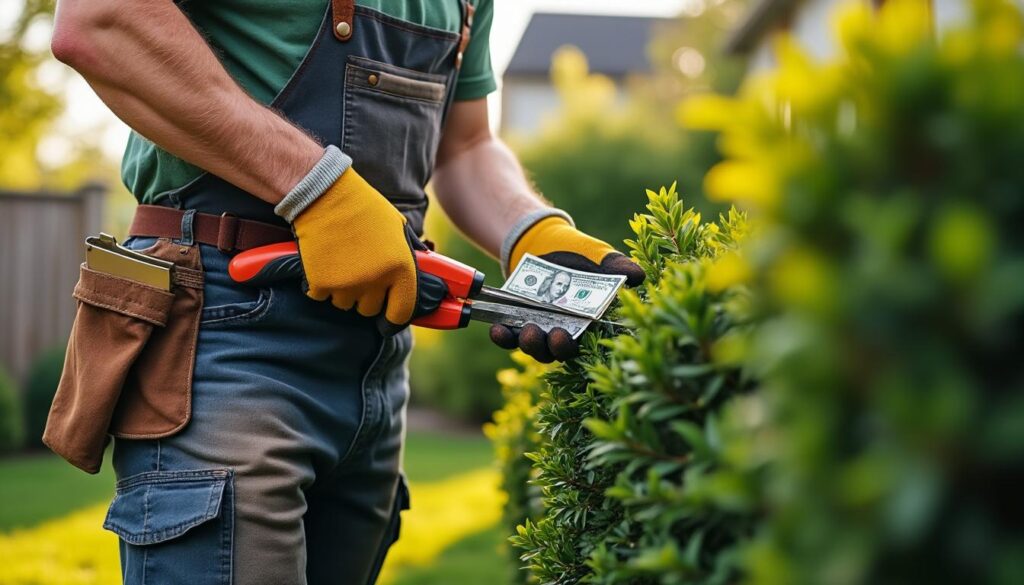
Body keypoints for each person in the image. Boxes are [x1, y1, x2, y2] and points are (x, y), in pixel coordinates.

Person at [49, 1, 645, 583]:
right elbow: (104, 22)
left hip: (378, 360)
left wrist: (534, 230)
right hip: (221, 332)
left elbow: (464, 146)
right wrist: (318, 190)